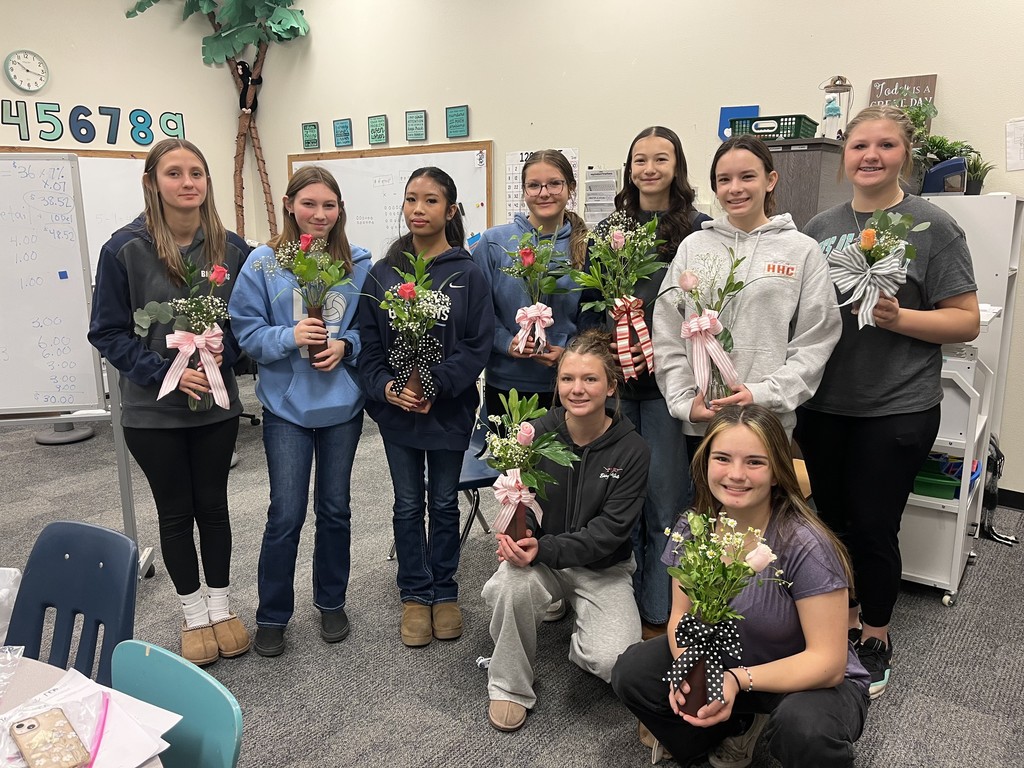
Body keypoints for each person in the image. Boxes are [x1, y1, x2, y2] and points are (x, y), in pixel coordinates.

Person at [795, 105, 980, 699]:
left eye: (886, 145)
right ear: (844, 155)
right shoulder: (820, 227)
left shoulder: (933, 226)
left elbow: (966, 321)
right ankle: (842, 621)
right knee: (829, 522)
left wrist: (900, 318)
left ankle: (875, 633)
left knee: (874, 526)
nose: (871, 156)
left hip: (896, 406)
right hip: (825, 404)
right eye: (859, 146)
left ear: (906, 155)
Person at [612, 405, 870, 768]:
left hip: (804, 679)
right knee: (633, 672)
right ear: (705, 463)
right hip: (727, 665)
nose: (736, 474)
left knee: (804, 729)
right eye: (722, 458)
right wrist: (689, 666)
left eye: (754, 462)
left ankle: (769, 721)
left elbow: (828, 663)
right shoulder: (694, 528)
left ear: (777, 472)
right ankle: (727, 730)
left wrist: (737, 679)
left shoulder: (805, 544)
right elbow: (681, 618)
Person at [88, 138, 252, 666]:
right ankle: (193, 613)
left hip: (216, 407)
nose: (187, 183)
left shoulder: (232, 249)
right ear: (152, 183)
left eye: (196, 173)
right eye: (174, 173)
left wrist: (228, 350)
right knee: (176, 511)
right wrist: (167, 373)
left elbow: (248, 323)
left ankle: (221, 606)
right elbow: (107, 331)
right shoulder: (123, 249)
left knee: (214, 507)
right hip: (152, 412)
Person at [230, 166, 371, 657]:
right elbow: (245, 332)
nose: (319, 214)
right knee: (285, 513)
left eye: (329, 205)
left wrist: (346, 346)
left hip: (342, 408)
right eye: (309, 203)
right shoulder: (264, 263)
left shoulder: (357, 262)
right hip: (286, 410)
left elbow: (372, 331)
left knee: (335, 509)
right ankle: (272, 614)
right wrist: (289, 336)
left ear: (340, 210)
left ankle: (331, 601)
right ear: (289, 205)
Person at [483, 329, 648, 732]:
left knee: (613, 661)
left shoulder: (633, 450)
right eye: (568, 378)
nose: (577, 389)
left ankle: (579, 626)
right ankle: (508, 685)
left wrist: (543, 549)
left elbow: (609, 532)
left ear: (611, 386)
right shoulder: (536, 434)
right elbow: (523, 501)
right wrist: (520, 537)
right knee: (510, 585)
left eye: (590, 379)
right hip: (544, 558)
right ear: (556, 383)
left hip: (603, 567)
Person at [358, 167, 492, 648]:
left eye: (431, 200)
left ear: (450, 210)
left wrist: (436, 382)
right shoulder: (383, 273)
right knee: (408, 502)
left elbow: (476, 345)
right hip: (398, 413)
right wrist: (386, 387)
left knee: (444, 501)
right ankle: (415, 592)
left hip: (449, 411)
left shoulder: (468, 274)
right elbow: (368, 343)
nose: (418, 209)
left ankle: (445, 590)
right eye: (411, 199)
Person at [587, 126, 711, 638]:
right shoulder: (609, 230)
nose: (649, 169)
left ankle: (660, 614)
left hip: (668, 386)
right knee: (617, 497)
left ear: (677, 166)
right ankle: (618, 606)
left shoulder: (699, 231)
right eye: (640, 160)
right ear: (629, 168)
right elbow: (590, 304)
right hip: (617, 386)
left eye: (661, 159)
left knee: (665, 499)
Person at [652, 134, 841, 440]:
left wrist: (765, 393)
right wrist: (684, 401)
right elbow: (667, 331)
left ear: (770, 180)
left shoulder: (802, 250)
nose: (735, 188)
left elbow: (817, 339)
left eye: (747, 177)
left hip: (767, 421)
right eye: (724, 179)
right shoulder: (693, 247)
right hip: (704, 423)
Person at [473, 150, 588, 419]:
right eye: (534, 185)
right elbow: (479, 312)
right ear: (524, 190)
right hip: (505, 383)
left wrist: (571, 350)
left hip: (568, 384)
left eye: (554, 184)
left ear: (571, 187)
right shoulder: (494, 242)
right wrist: (506, 343)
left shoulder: (587, 246)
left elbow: (592, 316)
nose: (544, 193)